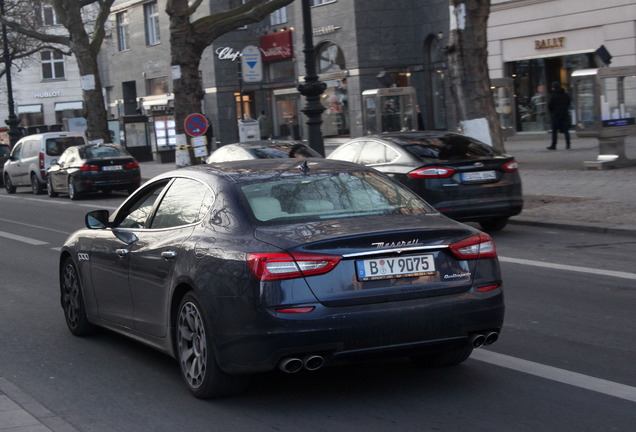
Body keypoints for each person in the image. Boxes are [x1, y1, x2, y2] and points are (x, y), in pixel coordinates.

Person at [547, 81, 571, 150]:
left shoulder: (553, 95)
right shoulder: (565, 95)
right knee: (566, 130)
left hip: (556, 114)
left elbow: (550, 105)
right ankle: (568, 144)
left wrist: (552, 112)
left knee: (554, 131)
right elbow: (568, 102)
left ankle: (554, 145)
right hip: (564, 114)